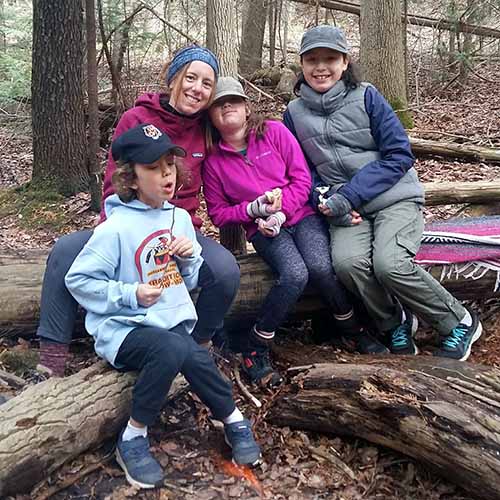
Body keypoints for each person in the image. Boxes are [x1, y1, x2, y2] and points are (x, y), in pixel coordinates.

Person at [65, 124, 261, 489]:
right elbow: (79, 281)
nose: (166, 175)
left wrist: (189, 261)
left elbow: (184, 282)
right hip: (124, 330)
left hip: (167, 325)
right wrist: (130, 294)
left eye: (170, 166)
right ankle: (133, 437)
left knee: (198, 356)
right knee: (174, 347)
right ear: (131, 178)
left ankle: (233, 419)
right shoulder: (115, 228)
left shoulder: (180, 219)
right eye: (154, 168)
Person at [37, 45, 240, 376]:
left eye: (207, 83)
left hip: (179, 232)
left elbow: (240, 139)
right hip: (127, 227)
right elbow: (112, 185)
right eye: (190, 78)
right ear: (173, 78)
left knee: (226, 270)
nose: (197, 89)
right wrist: (124, 239)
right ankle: (52, 360)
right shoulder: (137, 119)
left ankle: (197, 347)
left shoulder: (206, 127)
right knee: (65, 250)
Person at [283, 25, 482, 361]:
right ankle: (394, 323)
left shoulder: (367, 96)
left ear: (345, 62)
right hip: (344, 209)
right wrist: (327, 200)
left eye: (330, 58)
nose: (321, 67)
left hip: (395, 198)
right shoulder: (294, 113)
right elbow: (303, 172)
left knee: (390, 265)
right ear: (301, 65)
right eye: (312, 59)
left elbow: (399, 154)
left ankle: (458, 321)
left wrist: (350, 195)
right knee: (347, 265)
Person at [202, 77, 388, 387]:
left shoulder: (274, 133)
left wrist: (282, 211)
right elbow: (219, 214)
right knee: (295, 273)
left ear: (246, 107)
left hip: (300, 214)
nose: (226, 108)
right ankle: (255, 347)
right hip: (262, 230)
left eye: (232, 101)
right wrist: (253, 211)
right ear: (210, 116)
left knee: (320, 266)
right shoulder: (214, 162)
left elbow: (302, 180)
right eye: (218, 105)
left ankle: (351, 331)